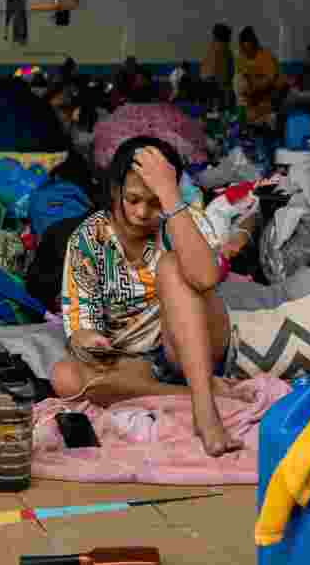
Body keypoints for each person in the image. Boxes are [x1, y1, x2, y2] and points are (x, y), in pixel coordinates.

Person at [50, 136, 257, 458]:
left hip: (193, 346)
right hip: (135, 363)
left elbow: (205, 278)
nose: (142, 212)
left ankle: (205, 412)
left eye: (155, 201)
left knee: (173, 266)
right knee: (65, 377)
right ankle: (189, 393)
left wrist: (172, 200)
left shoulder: (181, 220)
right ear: (115, 190)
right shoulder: (88, 238)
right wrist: (90, 342)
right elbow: (80, 326)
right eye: (133, 199)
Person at [235, 26, 282, 127]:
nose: (247, 52)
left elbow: (270, 81)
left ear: (255, 45)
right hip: (252, 101)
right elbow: (242, 81)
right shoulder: (240, 59)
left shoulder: (266, 56)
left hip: (270, 98)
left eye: (249, 49)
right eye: (244, 49)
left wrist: (254, 87)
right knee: (238, 80)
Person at [201, 24, 235, 95]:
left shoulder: (210, 49)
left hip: (205, 86)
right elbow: (227, 74)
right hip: (218, 87)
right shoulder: (224, 50)